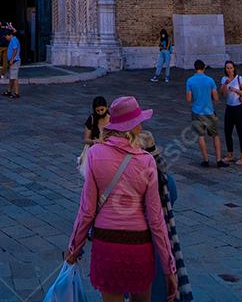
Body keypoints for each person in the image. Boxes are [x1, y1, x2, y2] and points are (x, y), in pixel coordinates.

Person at [64, 96, 178, 302]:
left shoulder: (94, 154)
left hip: (106, 242)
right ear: (132, 127)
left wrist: (74, 248)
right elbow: (156, 219)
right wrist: (170, 268)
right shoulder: (146, 161)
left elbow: (87, 210)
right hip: (139, 245)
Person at [140, 129, 192, 302]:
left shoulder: (136, 181)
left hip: (140, 240)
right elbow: (173, 198)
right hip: (163, 240)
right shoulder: (166, 180)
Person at [185, 59, 228, 168]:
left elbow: (189, 99)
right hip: (209, 111)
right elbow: (216, 98)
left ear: (195, 68)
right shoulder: (210, 80)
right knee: (215, 135)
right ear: (204, 68)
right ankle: (218, 160)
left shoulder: (190, 81)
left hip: (196, 112)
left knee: (200, 136)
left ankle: (206, 160)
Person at [220, 60, 242, 165]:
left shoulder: (239, 78)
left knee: (240, 132)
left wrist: (236, 90)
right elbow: (222, 93)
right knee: (227, 132)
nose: (229, 70)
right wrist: (225, 84)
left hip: (239, 109)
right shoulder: (224, 79)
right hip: (229, 108)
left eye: (231, 68)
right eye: (227, 68)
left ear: (234, 68)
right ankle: (230, 154)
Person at [3, 30, 21, 98]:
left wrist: (12, 59)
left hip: (14, 61)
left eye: (6, 36)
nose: (6, 38)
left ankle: (16, 93)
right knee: (12, 77)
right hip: (13, 61)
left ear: (9, 35)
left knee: (15, 77)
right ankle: (9, 91)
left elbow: (15, 50)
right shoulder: (14, 39)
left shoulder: (13, 40)